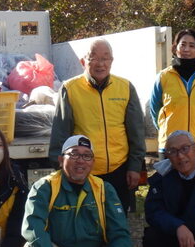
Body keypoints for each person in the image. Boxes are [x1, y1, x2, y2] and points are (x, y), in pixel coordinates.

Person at [49, 39, 145, 210]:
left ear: (112, 61)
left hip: (119, 170)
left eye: (105, 58)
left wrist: (135, 167)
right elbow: (60, 134)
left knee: (117, 219)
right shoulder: (70, 89)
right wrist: (61, 169)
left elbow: (136, 132)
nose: (100, 64)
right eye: (93, 58)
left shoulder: (125, 87)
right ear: (83, 61)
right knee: (85, 220)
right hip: (83, 170)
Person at [148, 29, 195, 153]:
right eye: (183, 45)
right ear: (176, 48)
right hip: (170, 145)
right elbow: (155, 109)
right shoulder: (163, 77)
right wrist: (165, 128)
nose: (186, 49)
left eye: (192, 46)